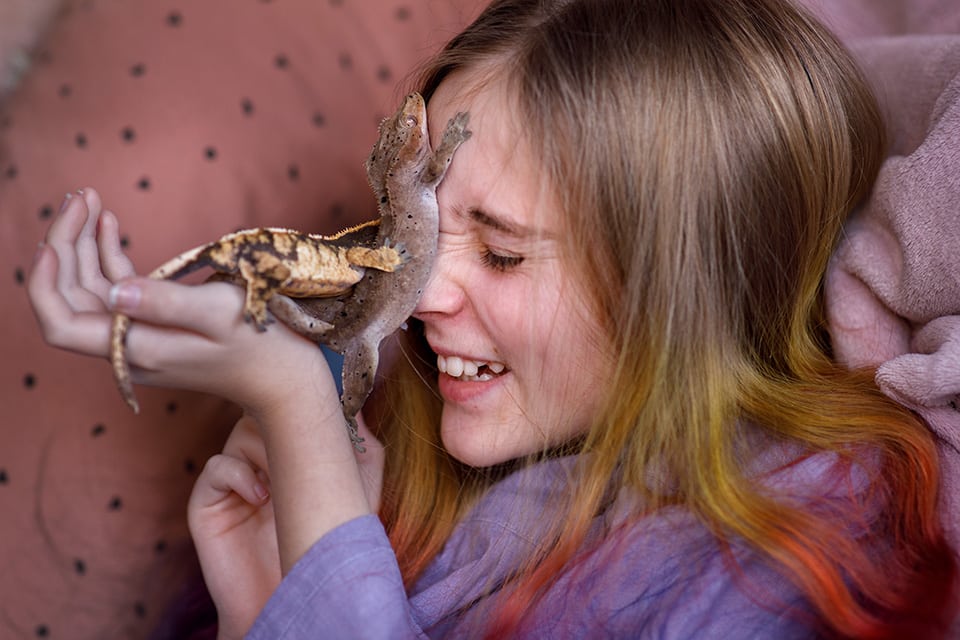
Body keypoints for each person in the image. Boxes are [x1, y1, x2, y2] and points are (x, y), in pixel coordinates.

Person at [27, 0, 958, 637]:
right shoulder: (427, 455)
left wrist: (296, 412)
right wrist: (258, 601)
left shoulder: (791, 554)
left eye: (506, 252)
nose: (423, 296)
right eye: (414, 227)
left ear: (683, 291)